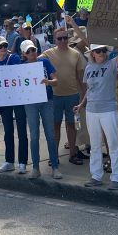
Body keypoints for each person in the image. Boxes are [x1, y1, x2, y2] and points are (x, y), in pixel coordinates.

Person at [77, 44, 118, 189]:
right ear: (93, 53)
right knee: (95, 145)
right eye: (98, 51)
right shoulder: (89, 68)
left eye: (104, 50)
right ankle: (96, 175)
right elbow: (89, 90)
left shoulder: (111, 64)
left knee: (113, 144)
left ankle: (116, 178)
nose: (102, 53)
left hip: (108, 109)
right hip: (91, 110)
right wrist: (81, 104)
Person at [42, 26, 86, 165]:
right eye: (59, 38)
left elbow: (80, 77)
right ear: (55, 40)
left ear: (69, 38)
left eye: (65, 38)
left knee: (71, 126)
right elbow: (31, 63)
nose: (62, 40)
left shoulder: (76, 54)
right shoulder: (47, 54)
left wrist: (84, 95)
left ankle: (73, 154)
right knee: (55, 126)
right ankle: (54, 157)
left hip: (72, 95)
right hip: (55, 96)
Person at [21, 39, 60, 180]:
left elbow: (56, 80)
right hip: (30, 103)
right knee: (34, 135)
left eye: (33, 49)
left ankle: (55, 166)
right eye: (28, 51)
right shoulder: (21, 67)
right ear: (24, 54)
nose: (32, 53)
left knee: (50, 134)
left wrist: (48, 82)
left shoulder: (45, 62)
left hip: (47, 101)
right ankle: (36, 167)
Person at [0, 36, 29, 174]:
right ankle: (9, 161)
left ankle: (22, 162)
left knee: (21, 131)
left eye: (5, 45)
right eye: (0, 46)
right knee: (8, 131)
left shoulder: (13, 58)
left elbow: (16, 74)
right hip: (4, 99)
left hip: (18, 97)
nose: (3, 48)